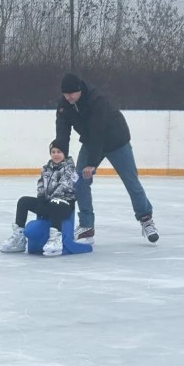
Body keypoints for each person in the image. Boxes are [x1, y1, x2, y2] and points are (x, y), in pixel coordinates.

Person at [55, 73, 159, 244]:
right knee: (79, 181)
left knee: (130, 180)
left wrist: (91, 164)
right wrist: (61, 156)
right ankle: (87, 226)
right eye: (65, 95)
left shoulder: (97, 100)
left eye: (71, 94)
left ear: (80, 90)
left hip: (116, 140)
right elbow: (62, 130)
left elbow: (98, 132)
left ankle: (146, 219)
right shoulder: (64, 104)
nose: (68, 98)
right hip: (91, 141)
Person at [0, 139, 79, 256]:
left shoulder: (70, 169)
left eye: (59, 152)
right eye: (53, 152)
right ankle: (19, 238)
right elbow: (41, 185)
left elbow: (65, 186)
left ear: (64, 154)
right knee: (23, 201)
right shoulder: (46, 168)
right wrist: (41, 199)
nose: (56, 155)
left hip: (64, 205)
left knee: (55, 203)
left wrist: (49, 200)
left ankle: (55, 240)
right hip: (49, 203)